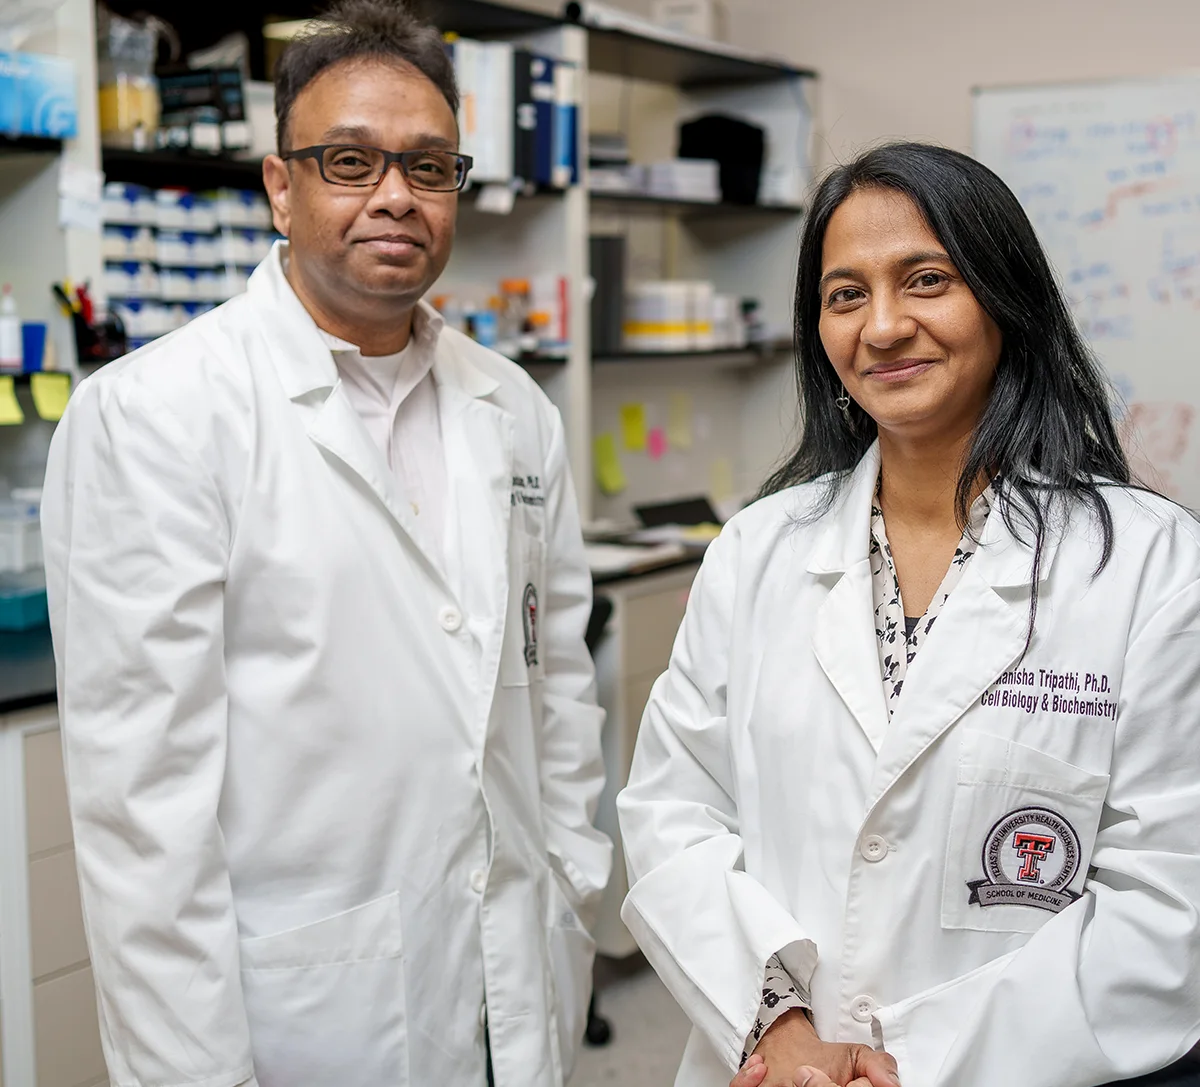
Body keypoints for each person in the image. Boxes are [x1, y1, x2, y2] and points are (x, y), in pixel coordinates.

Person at [40, 2, 610, 1085]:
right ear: (279, 186)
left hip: (511, 984)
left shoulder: (515, 408)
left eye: (429, 166)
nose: (395, 194)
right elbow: (143, 821)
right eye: (350, 160)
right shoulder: (156, 415)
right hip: (303, 1013)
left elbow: (558, 693)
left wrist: (573, 885)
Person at [617, 142, 1200, 1087]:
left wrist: (905, 1064)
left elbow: (1169, 898)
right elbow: (672, 813)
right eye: (845, 295)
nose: (882, 326)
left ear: (1005, 300)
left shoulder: (1150, 567)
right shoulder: (758, 551)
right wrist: (782, 1027)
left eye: (926, 280)